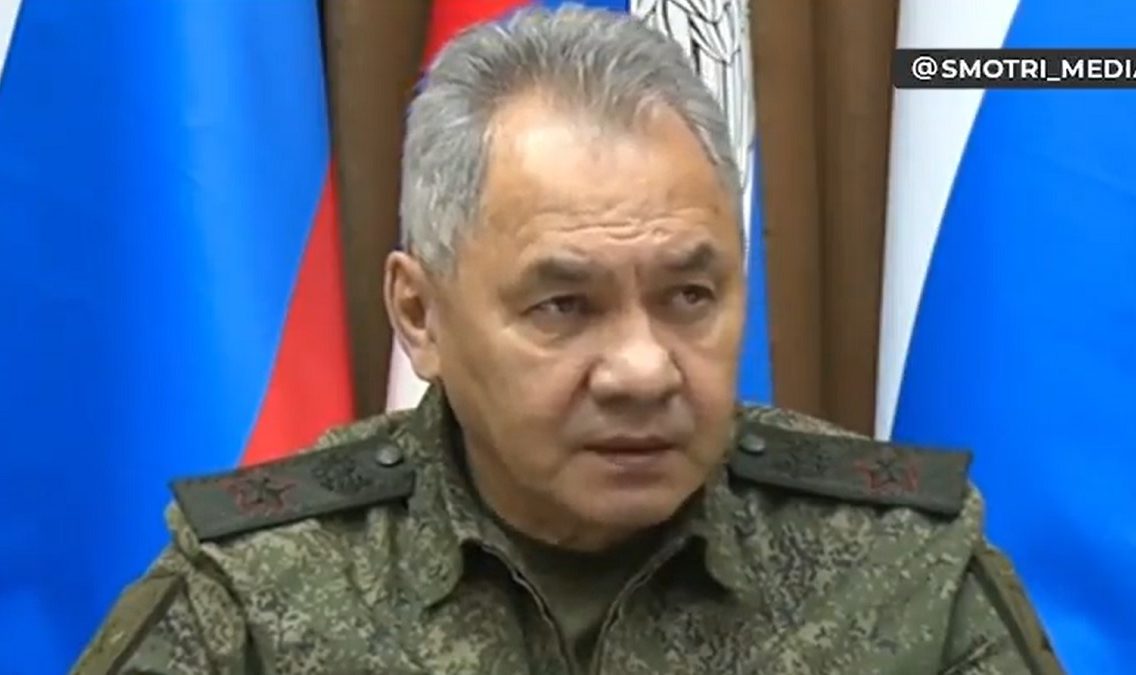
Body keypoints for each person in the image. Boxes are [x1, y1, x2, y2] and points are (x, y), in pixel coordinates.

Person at [71, 6, 1062, 674]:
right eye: (563, 306)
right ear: (419, 315)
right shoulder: (256, 592)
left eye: (689, 295)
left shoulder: (900, 569)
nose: (643, 369)